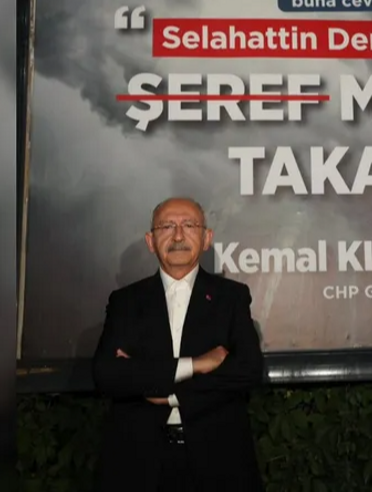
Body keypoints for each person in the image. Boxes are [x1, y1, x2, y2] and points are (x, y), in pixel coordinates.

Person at [92, 197, 265, 492]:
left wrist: (173, 394)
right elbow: (108, 375)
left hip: (218, 462)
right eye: (167, 226)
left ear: (207, 238)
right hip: (138, 464)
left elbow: (247, 370)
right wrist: (196, 365)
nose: (178, 236)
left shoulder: (231, 297)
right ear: (150, 241)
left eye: (189, 225)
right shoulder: (125, 302)